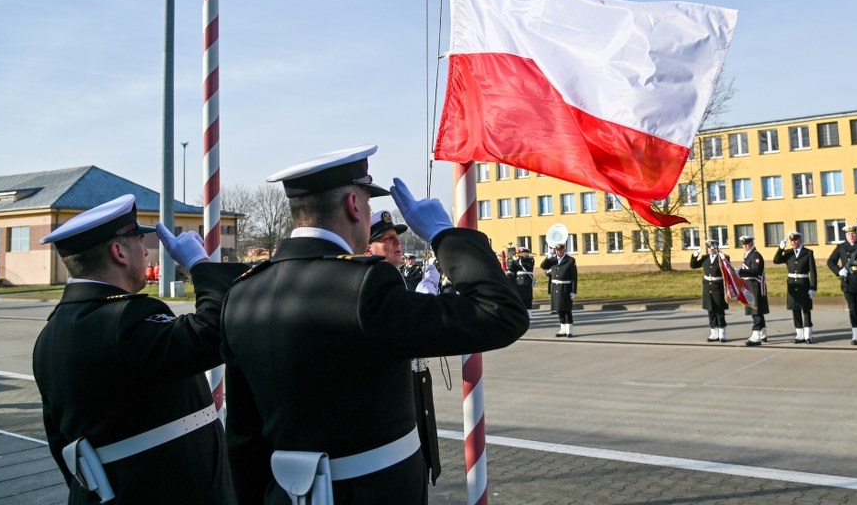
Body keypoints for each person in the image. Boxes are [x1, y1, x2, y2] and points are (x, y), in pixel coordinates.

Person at [219, 145, 529, 504]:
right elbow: (500, 313)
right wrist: (444, 234)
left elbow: (243, 439)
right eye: (367, 204)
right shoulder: (364, 286)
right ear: (354, 204)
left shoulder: (241, 293)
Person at [32, 194, 247, 504]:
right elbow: (215, 334)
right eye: (139, 242)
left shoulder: (49, 334)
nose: (147, 252)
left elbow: (60, 441)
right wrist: (199, 265)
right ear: (118, 251)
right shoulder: (127, 318)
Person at [365, 209, 441, 500]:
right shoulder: (370, 285)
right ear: (367, 247)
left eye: (397, 237)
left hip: (416, 394)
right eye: (386, 239)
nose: (397, 243)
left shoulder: (399, 280)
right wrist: (425, 298)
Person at [773, 231, 818, 344]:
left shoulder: (808, 252)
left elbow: (813, 272)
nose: (794, 242)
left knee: (806, 310)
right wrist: (780, 248)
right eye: (792, 240)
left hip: (804, 284)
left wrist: (813, 287)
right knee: (795, 309)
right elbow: (776, 260)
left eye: (796, 240)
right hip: (792, 284)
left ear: (800, 240)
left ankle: (808, 335)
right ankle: (799, 335)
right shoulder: (788, 253)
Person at [690, 239, 730, 342]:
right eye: (708, 248)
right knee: (710, 310)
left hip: (718, 287)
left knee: (719, 310)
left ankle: (722, 332)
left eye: (712, 248)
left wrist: (724, 259)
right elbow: (693, 265)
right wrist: (695, 255)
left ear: (716, 248)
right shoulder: (705, 258)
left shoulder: (722, 258)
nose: (710, 250)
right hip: (707, 287)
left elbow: (728, 269)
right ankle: (714, 332)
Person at [737, 235, 770, 346]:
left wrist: (740, 272)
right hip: (749, 286)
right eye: (744, 244)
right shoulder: (747, 255)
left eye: (747, 243)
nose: (745, 246)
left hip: (754, 286)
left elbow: (756, 271)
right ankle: (762, 332)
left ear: (752, 243)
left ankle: (756, 335)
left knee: (755, 311)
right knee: (756, 311)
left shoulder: (756, 255)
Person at [540, 242, 577, 337]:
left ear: (564, 250)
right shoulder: (553, 260)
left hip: (565, 288)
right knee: (559, 309)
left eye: (560, 250)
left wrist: (573, 291)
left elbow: (574, 277)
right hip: (555, 287)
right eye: (557, 250)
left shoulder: (570, 260)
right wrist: (548, 257)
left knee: (567, 310)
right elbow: (543, 266)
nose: (558, 252)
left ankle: (569, 330)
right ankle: (562, 329)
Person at [506, 247, 535, 317]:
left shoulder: (529, 260)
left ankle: (529, 314)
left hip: (526, 280)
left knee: (527, 298)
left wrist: (517, 260)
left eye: (522, 253)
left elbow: (524, 265)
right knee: (520, 297)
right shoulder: (518, 260)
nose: (520, 254)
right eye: (520, 253)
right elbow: (512, 268)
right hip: (518, 281)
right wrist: (512, 261)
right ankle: (520, 313)